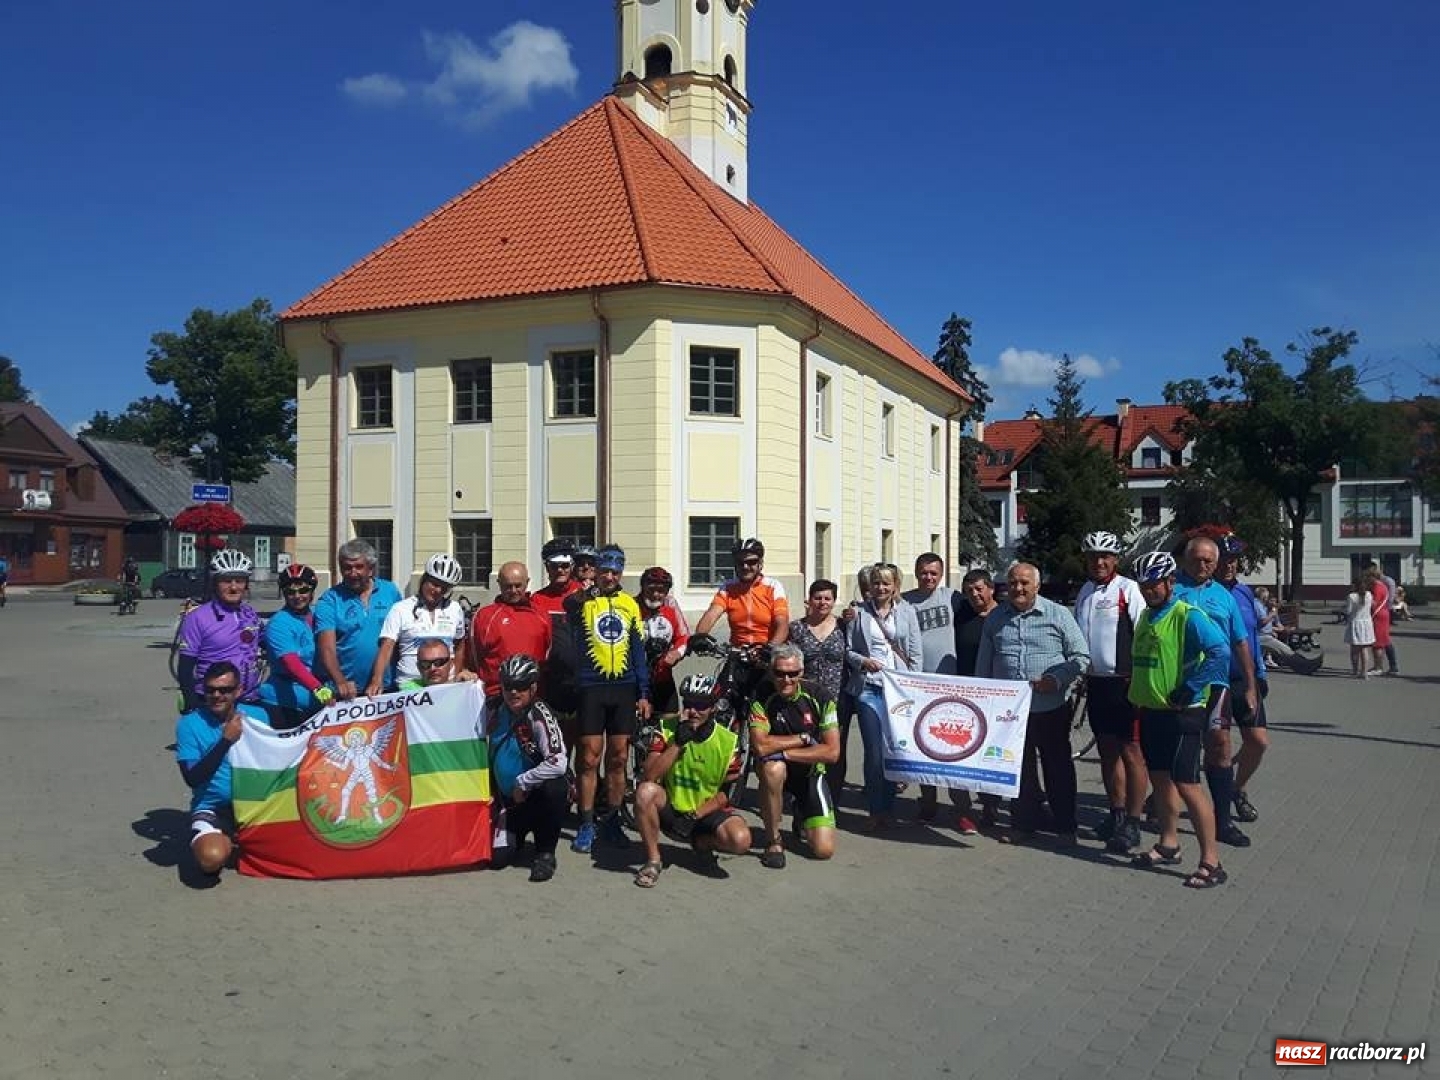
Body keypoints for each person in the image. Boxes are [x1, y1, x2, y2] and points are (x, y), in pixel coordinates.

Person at [1126, 552, 1232, 889]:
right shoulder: (1146, 615)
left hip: (1183, 713)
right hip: (1152, 710)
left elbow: (1220, 653)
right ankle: (1168, 843)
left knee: (1188, 785)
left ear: (1170, 582)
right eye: (1143, 585)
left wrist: (1192, 687)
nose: (1148, 590)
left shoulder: (1188, 615)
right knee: (1160, 780)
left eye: (1154, 584)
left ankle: (1211, 862)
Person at [975, 562, 1091, 846]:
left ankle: (1065, 827)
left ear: (1037, 586)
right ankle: (1023, 825)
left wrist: (1057, 679)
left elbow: (1081, 656)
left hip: (1050, 706)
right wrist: (984, 699)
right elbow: (984, 665)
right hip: (1010, 713)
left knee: (1058, 768)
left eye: (1025, 583)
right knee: (1019, 770)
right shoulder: (995, 618)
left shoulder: (1058, 614)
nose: (1018, 588)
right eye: (1013, 583)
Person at [1174, 536, 1258, 850]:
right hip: (1178, 686)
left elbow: (1240, 642)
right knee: (1178, 749)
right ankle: (1165, 811)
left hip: (1216, 686)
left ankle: (1223, 821)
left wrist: (1250, 685)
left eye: (1209, 561)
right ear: (1185, 560)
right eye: (1197, 559)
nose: (1203, 566)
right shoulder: (1172, 591)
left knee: (1220, 747)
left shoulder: (1225, 597)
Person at [566, 543, 651, 854]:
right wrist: (583, 594)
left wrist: (643, 692)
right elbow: (569, 605)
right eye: (604, 571)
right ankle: (586, 822)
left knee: (617, 758)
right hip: (590, 687)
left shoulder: (630, 604)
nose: (610, 577)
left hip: (624, 687)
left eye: (615, 572)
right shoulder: (583, 600)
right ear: (596, 572)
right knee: (588, 757)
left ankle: (612, 820)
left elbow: (639, 651)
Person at [632, 673, 751, 887]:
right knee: (645, 792)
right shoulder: (667, 727)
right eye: (689, 703)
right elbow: (649, 776)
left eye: (701, 705)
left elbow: (731, 792)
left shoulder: (727, 741)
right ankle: (653, 860)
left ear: (714, 707)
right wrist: (676, 744)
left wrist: (696, 815)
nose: (693, 711)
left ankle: (701, 843)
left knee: (741, 839)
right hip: (670, 807)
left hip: (704, 812)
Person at [1073, 531, 1147, 853]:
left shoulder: (1129, 589)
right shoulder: (1085, 591)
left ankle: (1134, 821)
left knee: (1132, 753)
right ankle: (1116, 814)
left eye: (1105, 556)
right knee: (1107, 752)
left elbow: (1144, 634)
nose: (1099, 561)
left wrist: (1138, 676)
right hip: (1097, 683)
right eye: (1092, 556)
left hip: (1126, 683)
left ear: (1116, 559)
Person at [845, 562, 922, 831]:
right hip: (869, 688)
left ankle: (889, 807)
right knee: (874, 752)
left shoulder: (907, 612)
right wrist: (864, 661)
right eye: (877, 582)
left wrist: (913, 685)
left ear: (895, 586)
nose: (881, 587)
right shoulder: (858, 613)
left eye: (886, 583)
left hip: (898, 690)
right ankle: (876, 809)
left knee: (894, 749)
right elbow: (849, 651)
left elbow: (915, 653)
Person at [174, 661, 269, 877]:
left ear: (238, 691)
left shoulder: (259, 716)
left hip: (257, 806)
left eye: (225, 690)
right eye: (210, 690)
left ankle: (241, 840)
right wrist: (225, 741)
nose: (216, 695)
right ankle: (224, 838)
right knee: (211, 858)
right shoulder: (189, 724)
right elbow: (193, 778)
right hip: (214, 808)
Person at [750, 643, 841, 867]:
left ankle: (802, 813)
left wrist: (784, 754)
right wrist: (804, 740)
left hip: (809, 772)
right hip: (775, 770)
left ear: (801, 672)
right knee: (772, 768)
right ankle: (774, 841)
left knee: (823, 850)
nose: (786, 680)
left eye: (792, 674)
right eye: (780, 673)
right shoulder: (762, 695)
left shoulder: (820, 696)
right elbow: (760, 746)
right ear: (772, 672)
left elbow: (832, 752)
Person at [902, 553, 973, 827]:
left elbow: (980, 609)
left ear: (941, 574)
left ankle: (963, 810)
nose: (928, 577)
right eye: (923, 572)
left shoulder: (952, 598)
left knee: (955, 748)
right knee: (924, 747)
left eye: (933, 573)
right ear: (916, 572)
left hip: (951, 683)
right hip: (919, 684)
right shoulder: (905, 601)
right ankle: (928, 802)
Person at [486, 654, 569, 883]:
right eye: (508, 686)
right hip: (507, 803)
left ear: (532, 687)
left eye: (521, 686)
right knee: (497, 860)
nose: (514, 692)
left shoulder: (540, 714)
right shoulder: (492, 709)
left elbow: (558, 761)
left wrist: (523, 781)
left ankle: (545, 852)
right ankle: (516, 838)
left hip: (534, 797)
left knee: (556, 786)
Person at [1216, 536, 1270, 826]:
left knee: (1258, 741)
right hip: (1214, 680)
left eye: (1233, 560)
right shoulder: (1201, 592)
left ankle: (1237, 789)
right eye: (1223, 559)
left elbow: (1252, 638)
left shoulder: (1244, 593)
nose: (1229, 565)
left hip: (1244, 679)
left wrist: (1259, 674)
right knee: (1217, 747)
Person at [366, 553, 468, 696]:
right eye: (434, 583)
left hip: (445, 684)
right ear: (424, 580)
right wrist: (376, 680)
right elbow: (387, 647)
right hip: (410, 684)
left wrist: (456, 674)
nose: (438, 590)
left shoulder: (455, 609)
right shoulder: (400, 609)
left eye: (444, 588)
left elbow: (459, 645)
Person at [176, 549, 264, 712]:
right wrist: (191, 705)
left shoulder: (250, 614)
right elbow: (185, 668)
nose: (233, 587)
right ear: (215, 583)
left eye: (239, 581)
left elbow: (267, 642)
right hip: (213, 702)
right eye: (226, 581)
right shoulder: (197, 617)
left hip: (249, 699)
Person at [315, 539, 403, 700]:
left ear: (371, 569)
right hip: (348, 690)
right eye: (347, 568)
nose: (352, 573)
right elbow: (326, 647)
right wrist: (339, 681)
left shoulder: (390, 591)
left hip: (386, 688)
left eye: (358, 567)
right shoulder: (329, 600)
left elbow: (402, 635)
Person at [952, 568, 1002, 831]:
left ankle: (991, 804)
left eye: (979, 589)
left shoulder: (1004, 614)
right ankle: (963, 811)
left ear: (991, 589)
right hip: (963, 694)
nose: (974, 595)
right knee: (960, 753)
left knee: (992, 754)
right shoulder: (960, 614)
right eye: (969, 590)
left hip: (997, 697)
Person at [257, 564, 334, 729]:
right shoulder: (279, 623)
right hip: (285, 702)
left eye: (303, 590)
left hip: (317, 699)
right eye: (290, 592)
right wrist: (318, 689)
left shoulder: (318, 615)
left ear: (312, 591)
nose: (297, 596)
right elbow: (291, 663)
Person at [469, 561, 551, 698]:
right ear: (499, 584)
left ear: (527, 582)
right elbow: (474, 658)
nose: (513, 591)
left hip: (533, 695)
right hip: (496, 695)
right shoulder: (484, 617)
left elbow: (547, 653)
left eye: (518, 586)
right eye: (508, 586)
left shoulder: (542, 615)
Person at [693, 537, 790, 649]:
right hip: (738, 651)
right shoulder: (728, 588)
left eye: (751, 562)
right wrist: (699, 636)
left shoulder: (773, 587)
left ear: (760, 564)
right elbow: (712, 614)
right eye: (740, 562)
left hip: (767, 651)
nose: (745, 567)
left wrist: (771, 647)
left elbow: (782, 623)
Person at [531, 538, 585, 738]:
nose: (560, 570)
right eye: (555, 566)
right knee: (557, 744)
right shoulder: (536, 599)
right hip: (551, 682)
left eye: (564, 565)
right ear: (547, 567)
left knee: (585, 749)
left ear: (572, 566)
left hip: (583, 680)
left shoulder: (585, 594)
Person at [635, 566, 690, 714]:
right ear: (642, 587)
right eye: (651, 589)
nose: (655, 594)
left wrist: (676, 653)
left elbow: (684, 637)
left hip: (662, 677)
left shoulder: (670, 607)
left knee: (669, 726)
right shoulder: (631, 606)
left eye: (661, 591)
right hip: (635, 681)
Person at [1253, 586, 1324, 674]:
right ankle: (1305, 666)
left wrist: (1273, 629)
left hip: (1265, 634)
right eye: (1266, 596)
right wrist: (1272, 614)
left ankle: (1304, 663)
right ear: (1262, 595)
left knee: (1280, 650)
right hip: (1262, 636)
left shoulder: (1261, 605)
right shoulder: (1257, 605)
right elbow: (1262, 622)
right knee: (1284, 650)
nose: (1267, 598)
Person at [1367, 563, 1398, 675]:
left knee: (1378, 642)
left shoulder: (1379, 585)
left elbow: (1375, 602)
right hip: (1383, 613)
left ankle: (1378, 667)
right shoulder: (1382, 585)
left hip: (1379, 614)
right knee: (1384, 640)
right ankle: (1391, 667)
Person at [1344, 572, 1377, 678]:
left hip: (1355, 622)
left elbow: (1348, 611)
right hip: (1366, 623)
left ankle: (1355, 671)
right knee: (1364, 649)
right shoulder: (1369, 594)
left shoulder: (1352, 596)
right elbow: (1372, 605)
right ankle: (1364, 672)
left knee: (1354, 649)